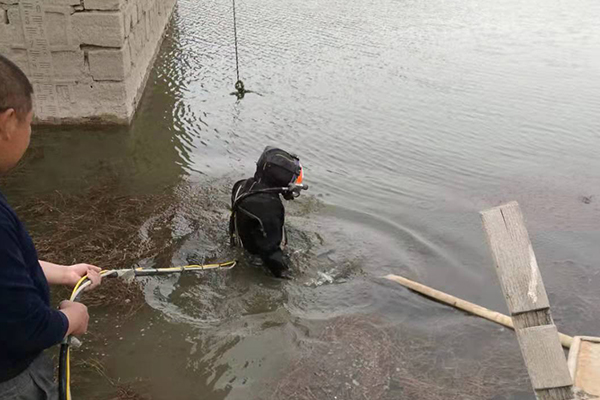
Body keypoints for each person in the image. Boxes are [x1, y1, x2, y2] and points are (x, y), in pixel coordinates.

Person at [0, 54, 102, 399]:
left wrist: (64, 273)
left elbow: (7, 272)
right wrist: (69, 319)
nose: (29, 133)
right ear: (8, 122)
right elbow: (26, 327)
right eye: (30, 123)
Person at [229, 146, 305, 279]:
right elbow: (270, 253)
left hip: (241, 242)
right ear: (282, 179)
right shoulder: (269, 208)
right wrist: (288, 275)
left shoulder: (241, 185)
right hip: (257, 261)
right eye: (294, 179)